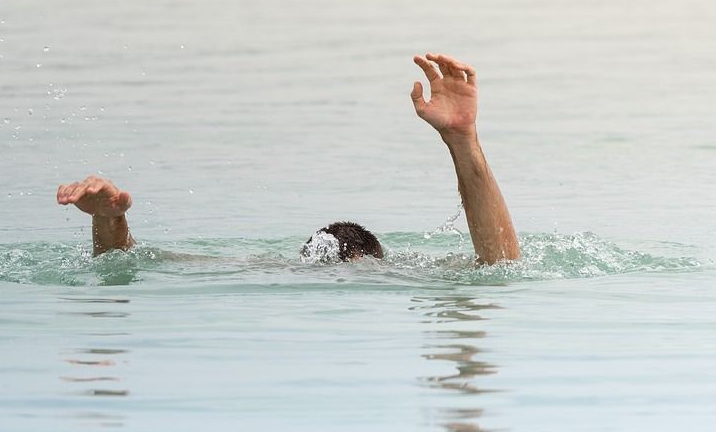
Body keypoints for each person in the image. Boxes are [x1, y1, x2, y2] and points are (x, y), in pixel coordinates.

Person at [56, 54, 520, 265]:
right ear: (375, 263)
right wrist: (464, 143)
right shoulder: (401, 277)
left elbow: (131, 263)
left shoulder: (261, 268)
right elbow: (500, 264)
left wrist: (109, 224)